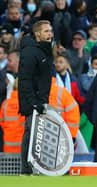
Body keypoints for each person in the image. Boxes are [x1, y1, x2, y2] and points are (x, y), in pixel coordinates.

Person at [18, 20, 53, 175]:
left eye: (50, 31)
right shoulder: (31, 52)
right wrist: (33, 103)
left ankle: (33, 169)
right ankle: (28, 170)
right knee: (32, 135)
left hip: (40, 100)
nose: (49, 34)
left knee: (35, 135)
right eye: (46, 31)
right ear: (37, 33)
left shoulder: (43, 50)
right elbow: (25, 79)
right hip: (34, 102)